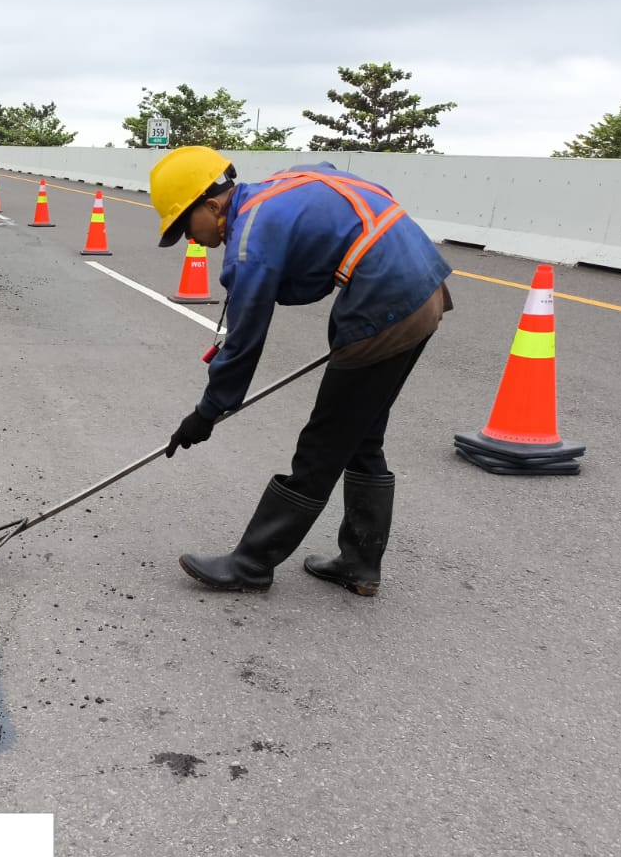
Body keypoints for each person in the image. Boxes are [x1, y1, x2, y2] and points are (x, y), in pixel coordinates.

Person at [154, 146, 452, 596]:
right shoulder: (280, 187)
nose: (190, 240)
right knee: (363, 432)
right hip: (426, 288)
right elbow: (329, 176)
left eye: (184, 226)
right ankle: (359, 563)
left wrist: (208, 413)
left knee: (323, 442)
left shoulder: (251, 240)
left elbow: (244, 342)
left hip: (388, 302)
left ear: (213, 205)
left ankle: (252, 564)